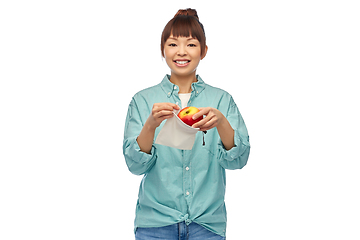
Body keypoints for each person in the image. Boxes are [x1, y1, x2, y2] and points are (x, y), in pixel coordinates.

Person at [123, 8, 250, 240]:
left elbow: (239, 159)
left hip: (207, 224)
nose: (181, 52)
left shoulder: (221, 100)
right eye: (173, 44)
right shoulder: (142, 101)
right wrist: (151, 125)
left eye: (191, 44)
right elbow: (134, 165)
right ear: (163, 49)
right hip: (156, 224)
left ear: (204, 51)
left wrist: (220, 121)